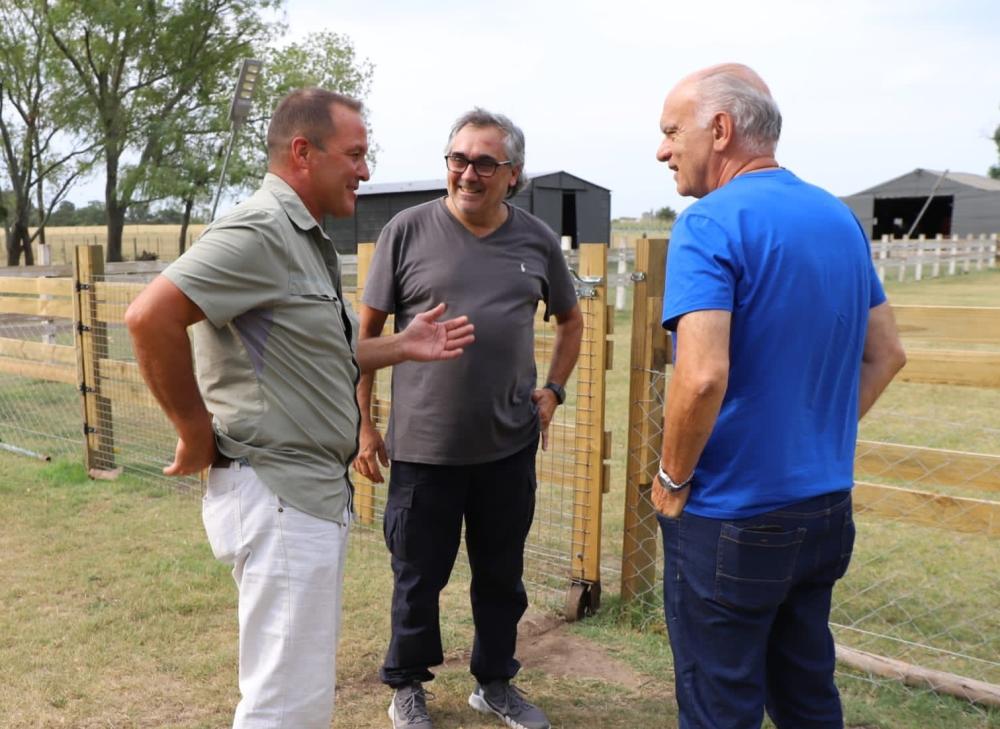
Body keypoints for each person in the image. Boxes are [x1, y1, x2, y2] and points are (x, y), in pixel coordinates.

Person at [124, 88, 474, 729]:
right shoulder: (259, 231)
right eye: (356, 155)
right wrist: (193, 431)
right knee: (285, 708)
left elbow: (314, 356)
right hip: (278, 493)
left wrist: (401, 344)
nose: (367, 172)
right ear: (302, 152)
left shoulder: (302, 239)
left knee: (297, 695)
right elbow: (150, 317)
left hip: (305, 494)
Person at [651, 64, 906, 728]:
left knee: (719, 704)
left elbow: (702, 375)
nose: (661, 149)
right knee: (805, 693)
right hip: (823, 511)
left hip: (731, 516)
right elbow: (887, 352)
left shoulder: (708, 224)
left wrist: (671, 476)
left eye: (671, 130)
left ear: (721, 128)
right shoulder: (837, 217)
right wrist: (812, 434)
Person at [353, 108, 583, 729]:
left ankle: (495, 682)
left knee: (501, 579)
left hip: (508, 446)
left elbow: (572, 320)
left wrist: (554, 390)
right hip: (424, 449)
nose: (469, 173)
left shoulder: (535, 239)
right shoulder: (406, 230)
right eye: (459, 159)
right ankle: (407, 684)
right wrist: (365, 426)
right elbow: (364, 336)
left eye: (486, 162)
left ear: (514, 174)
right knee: (417, 576)